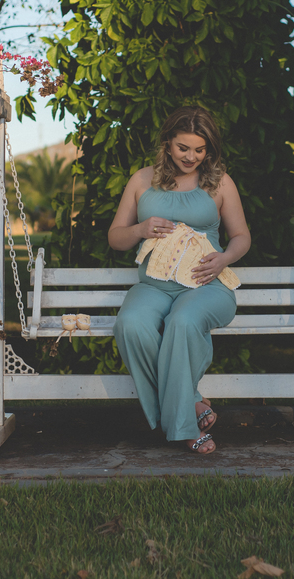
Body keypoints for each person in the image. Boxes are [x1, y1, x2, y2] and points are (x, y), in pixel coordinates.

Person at [108, 107, 251, 454]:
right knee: (130, 324)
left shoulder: (219, 183)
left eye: (200, 150)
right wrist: (140, 229)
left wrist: (224, 259)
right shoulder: (142, 181)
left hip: (206, 285)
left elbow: (241, 237)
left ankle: (184, 426)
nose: (191, 157)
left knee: (182, 322)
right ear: (168, 143)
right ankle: (190, 402)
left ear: (209, 150)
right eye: (183, 147)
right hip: (154, 286)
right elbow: (116, 237)